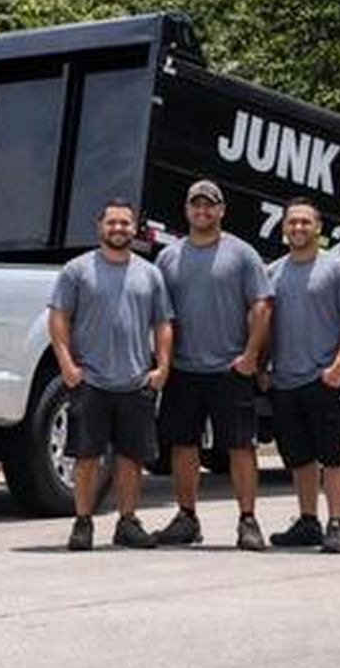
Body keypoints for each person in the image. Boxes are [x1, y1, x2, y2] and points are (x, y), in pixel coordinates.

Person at [153, 179, 273, 550]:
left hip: (229, 369)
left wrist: (250, 357)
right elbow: (160, 315)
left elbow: (262, 305)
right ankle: (186, 518)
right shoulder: (168, 257)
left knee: (240, 446)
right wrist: (163, 362)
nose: (202, 210)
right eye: (196, 204)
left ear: (221, 210)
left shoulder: (242, 254)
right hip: (183, 369)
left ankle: (248, 521)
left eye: (209, 204)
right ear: (187, 210)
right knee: (183, 445)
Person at [48, 198, 173, 551]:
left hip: (135, 381)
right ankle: (83, 523)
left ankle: (127, 522)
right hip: (91, 381)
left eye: (125, 223)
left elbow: (163, 322)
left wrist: (162, 367)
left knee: (131, 458)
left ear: (135, 229)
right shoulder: (77, 270)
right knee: (86, 457)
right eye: (112, 223)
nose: (119, 228)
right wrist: (67, 366)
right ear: (100, 226)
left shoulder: (150, 273)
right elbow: (58, 318)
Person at [266, 198, 340, 553]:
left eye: (306, 222)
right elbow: (265, 324)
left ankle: (336, 524)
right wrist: (264, 368)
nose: (298, 228)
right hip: (285, 380)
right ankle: (308, 522)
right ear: (283, 227)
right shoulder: (273, 272)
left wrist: (338, 367)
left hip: (325, 380)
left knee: (334, 456)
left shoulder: (338, 269)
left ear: (319, 228)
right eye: (292, 222)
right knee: (300, 457)